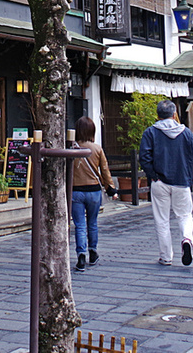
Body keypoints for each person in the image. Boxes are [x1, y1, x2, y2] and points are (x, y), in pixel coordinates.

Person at [139, 100, 193, 266]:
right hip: (182, 181)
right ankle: (187, 239)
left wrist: (153, 175)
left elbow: (145, 158)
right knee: (185, 215)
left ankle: (166, 256)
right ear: (174, 115)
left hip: (160, 181)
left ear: (157, 115)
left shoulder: (150, 133)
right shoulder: (187, 133)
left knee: (162, 220)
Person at [70, 116, 116, 271]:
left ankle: (81, 255)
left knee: (79, 225)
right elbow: (105, 171)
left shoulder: (71, 148)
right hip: (94, 191)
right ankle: (93, 252)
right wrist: (111, 188)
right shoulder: (97, 149)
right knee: (93, 222)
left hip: (76, 191)